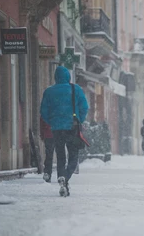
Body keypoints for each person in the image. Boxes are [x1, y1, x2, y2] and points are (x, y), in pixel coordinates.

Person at [40, 66, 88, 197]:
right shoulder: (75, 89)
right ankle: (65, 177)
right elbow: (84, 107)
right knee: (73, 156)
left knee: (60, 155)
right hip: (72, 127)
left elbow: (43, 112)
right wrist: (79, 120)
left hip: (56, 129)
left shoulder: (49, 92)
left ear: (55, 77)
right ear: (68, 77)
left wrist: (52, 122)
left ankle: (62, 177)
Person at [40, 117, 54, 183]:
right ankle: (61, 175)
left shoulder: (46, 107)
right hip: (55, 134)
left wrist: (42, 134)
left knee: (49, 155)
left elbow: (42, 121)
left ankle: (47, 173)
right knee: (60, 156)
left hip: (49, 134)